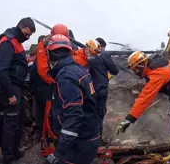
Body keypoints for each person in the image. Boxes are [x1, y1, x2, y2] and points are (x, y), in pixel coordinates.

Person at [45, 34, 100, 164]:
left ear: (52, 54)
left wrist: (60, 151)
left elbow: (74, 115)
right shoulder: (78, 70)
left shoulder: (65, 77)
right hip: (88, 136)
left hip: (78, 143)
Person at [0, 17, 36, 164]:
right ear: (21, 26)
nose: (27, 37)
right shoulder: (7, 42)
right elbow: (1, 71)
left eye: (29, 36)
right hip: (10, 88)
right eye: (27, 34)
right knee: (10, 123)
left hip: (17, 87)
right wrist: (10, 94)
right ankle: (7, 156)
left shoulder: (17, 42)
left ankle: (15, 150)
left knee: (19, 120)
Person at [30, 24, 70, 145]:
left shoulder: (67, 43)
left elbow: (71, 60)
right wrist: (56, 82)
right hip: (42, 80)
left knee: (56, 106)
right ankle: (41, 131)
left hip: (56, 78)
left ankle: (53, 130)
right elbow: (43, 70)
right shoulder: (44, 44)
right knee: (43, 105)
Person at [88, 37, 119, 143]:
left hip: (88, 88)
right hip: (100, 88)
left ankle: (88, 138)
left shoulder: (87, 55)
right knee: (100, 113)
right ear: (101, 47)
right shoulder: (104, 54)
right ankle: (97, 140)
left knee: (89, 113)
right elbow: (115, 71)